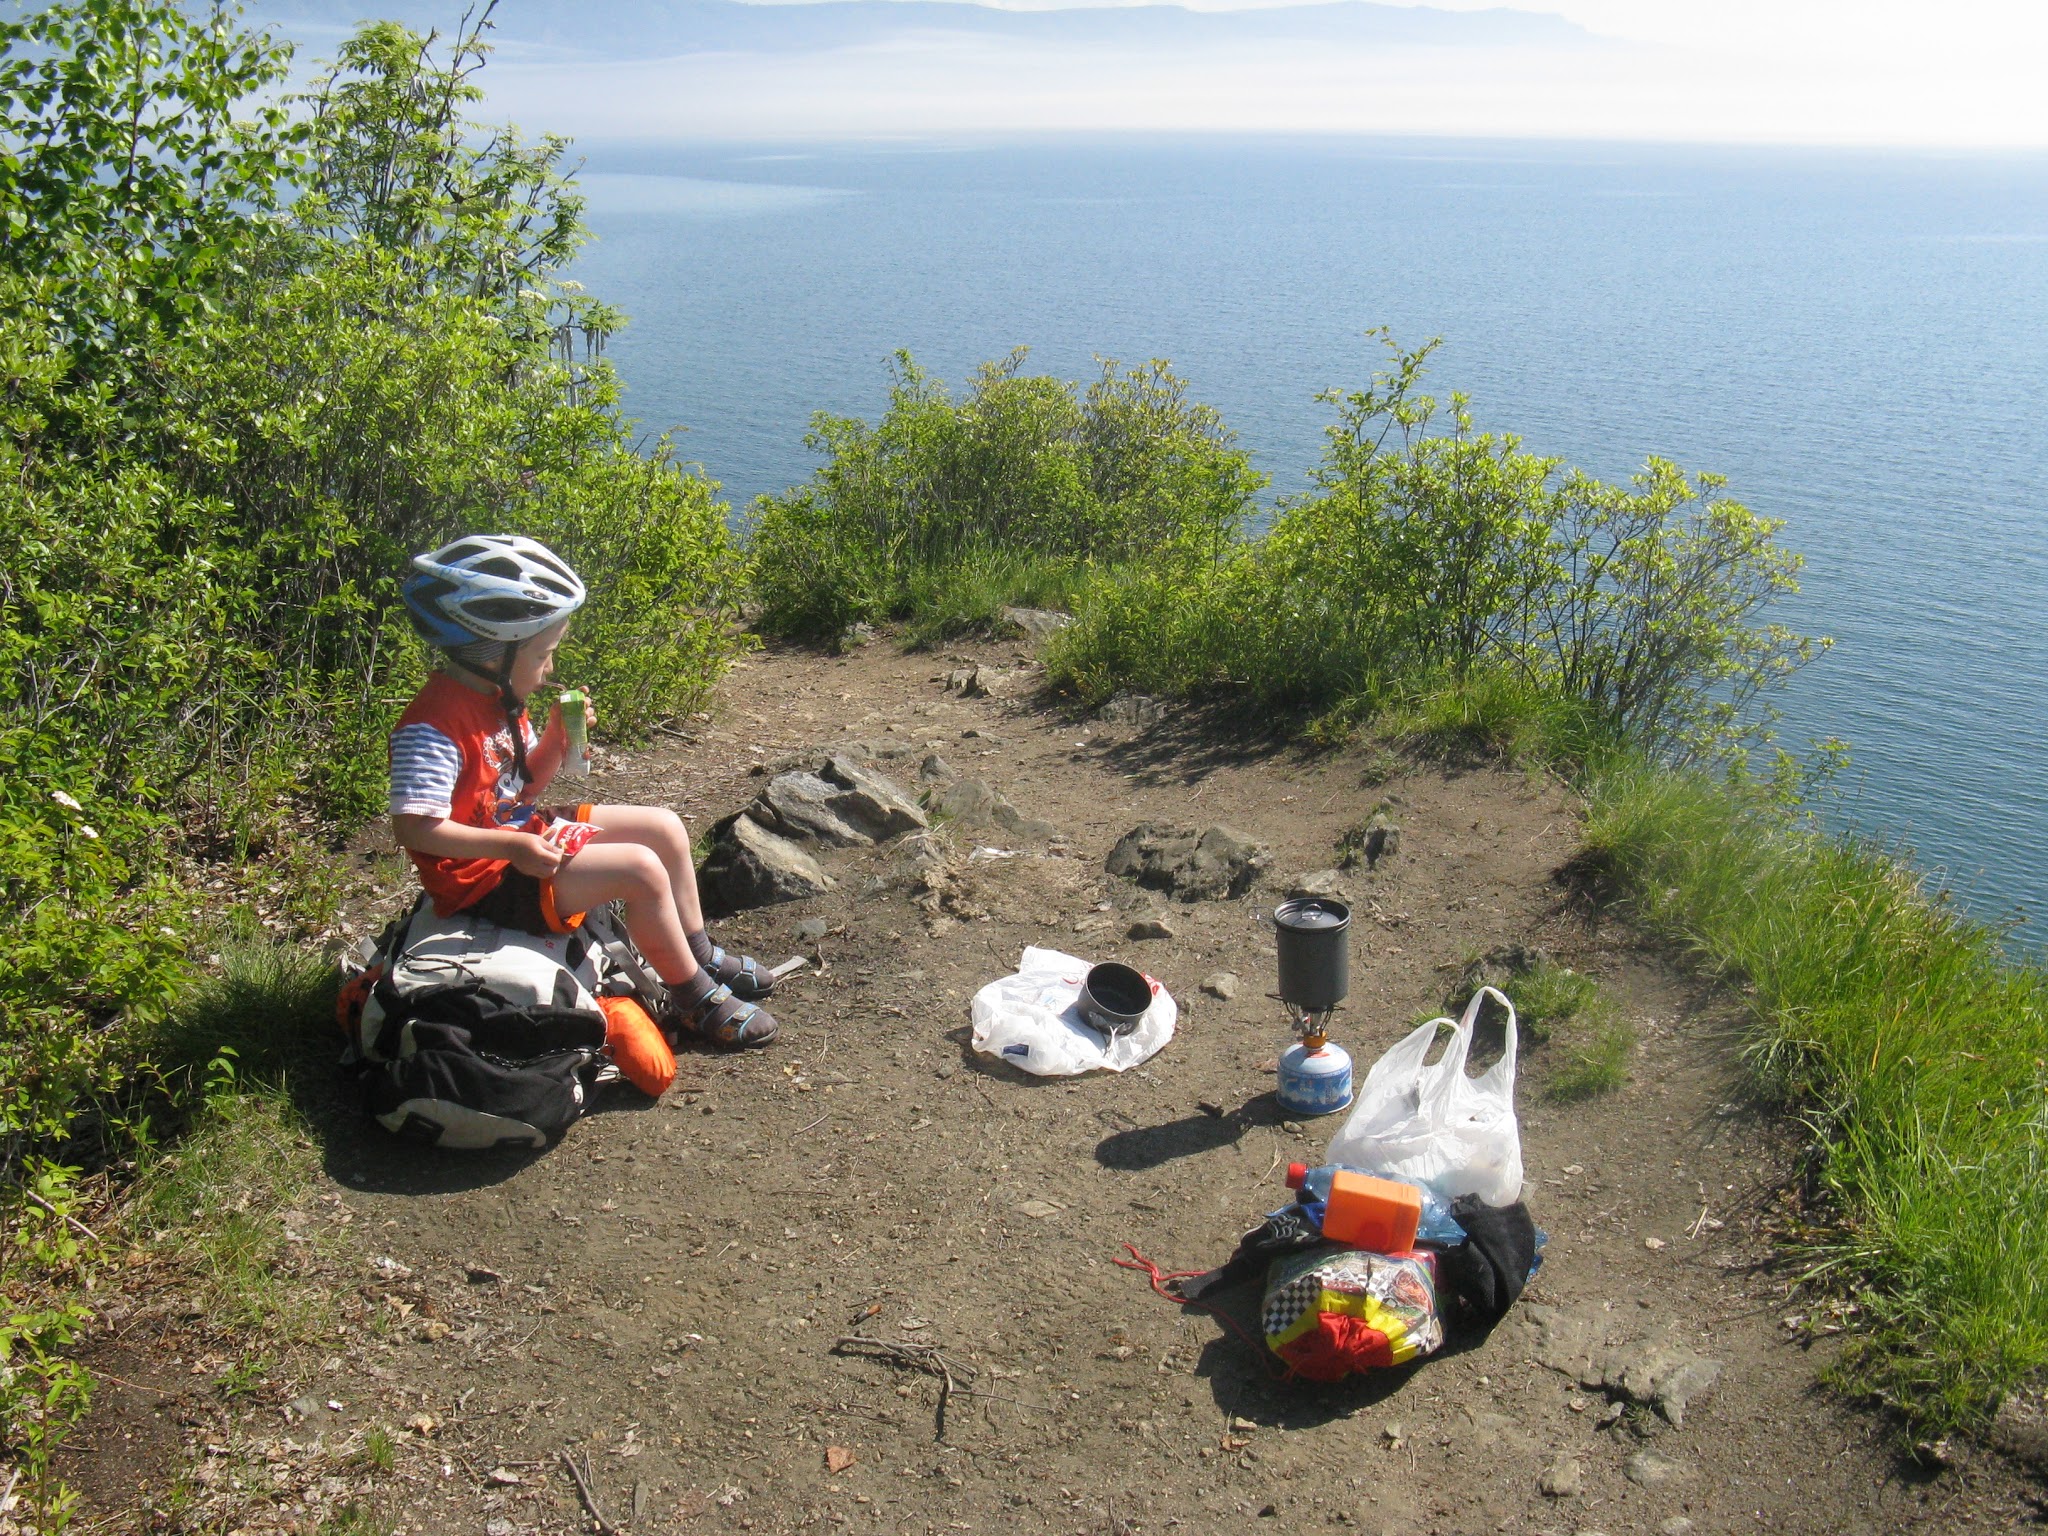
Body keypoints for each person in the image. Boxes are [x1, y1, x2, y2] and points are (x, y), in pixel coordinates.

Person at [387, 534, 777, 1049]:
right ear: (494, 654)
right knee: (638, 869)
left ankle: (696, 949)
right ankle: (692, 997)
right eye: (543, 654)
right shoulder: (432, 726)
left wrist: (555, 739)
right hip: (481, 883)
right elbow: (414, 826)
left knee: (663, 827)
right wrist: (512, 847)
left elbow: (522, 788)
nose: (549, 668)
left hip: (519, 838)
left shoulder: (496, 698)